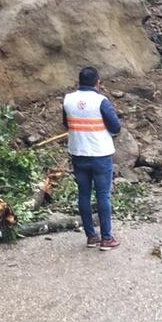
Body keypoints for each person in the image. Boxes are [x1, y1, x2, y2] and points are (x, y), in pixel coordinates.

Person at [62, 67, 122, 251]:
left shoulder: (68, 100)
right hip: (100, 154)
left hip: (78, 153)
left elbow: (66, 124)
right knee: (103, 195)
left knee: (84, 195)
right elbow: (116, 127)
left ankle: (91, 237)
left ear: (78, 82)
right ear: (98, 83)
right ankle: (107, 239)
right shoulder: (101, 101)